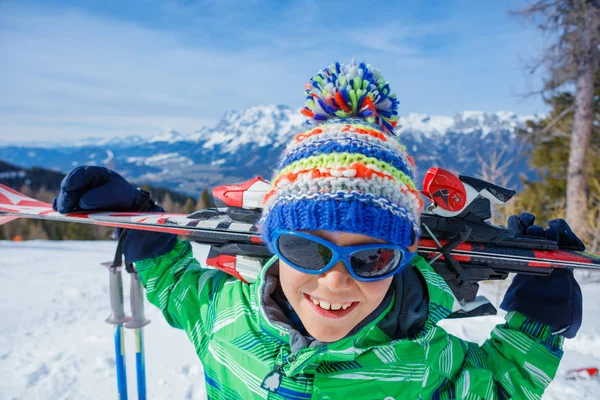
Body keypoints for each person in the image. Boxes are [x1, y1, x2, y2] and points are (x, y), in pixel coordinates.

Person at [54, 61, 583, 399]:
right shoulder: (220, 317)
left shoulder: (424, 362)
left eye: (372, 257)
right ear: (273, 247)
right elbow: (174, 282)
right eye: (307, 249)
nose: (334, 282)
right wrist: (141, 223)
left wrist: (536, 326)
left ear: (403, 259)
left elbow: (500, 386)